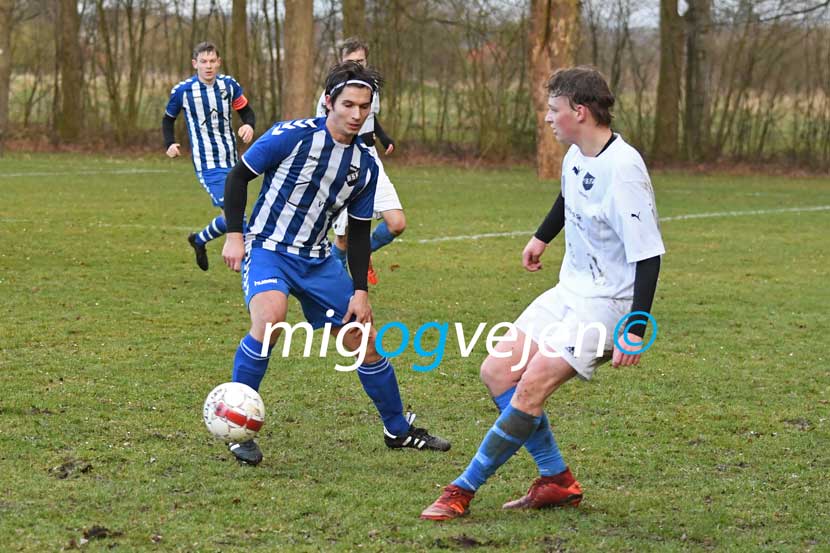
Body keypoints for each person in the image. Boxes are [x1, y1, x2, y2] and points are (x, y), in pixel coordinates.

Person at [420, 66, 665, 520]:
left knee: (530, 386)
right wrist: (541, 237)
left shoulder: (625, 168)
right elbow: (568, 197)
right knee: (497, 372)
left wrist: (636, 326)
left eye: (554, 110)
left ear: (581, 111)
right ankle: (557, 479)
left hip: (608, 303)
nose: (548, 118)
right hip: (569, 288)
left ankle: (462, 489)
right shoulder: (576, 154)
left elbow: (648, 254)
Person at [220, 61, 450, 465]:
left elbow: (360, 232)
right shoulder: (289, 136)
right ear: (329, 102)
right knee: (271, 319)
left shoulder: (364, 164)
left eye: (364, 106)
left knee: (363, 340)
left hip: (319, 260)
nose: (356, 114)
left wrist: (360, 290)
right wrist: (235, 236)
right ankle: (238, 426)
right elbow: (239, 176)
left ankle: (397, 429)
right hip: (269, 248)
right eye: (348, 104)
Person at [315, 37, 405, 285]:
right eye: (351, 61)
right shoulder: (330, 95)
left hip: (370, 160)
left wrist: (384, 138)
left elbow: (370, 118)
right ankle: (337, 286)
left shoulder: (371, 88)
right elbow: (323, 130)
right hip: (343, 164)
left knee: (397, 223)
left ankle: (362, 254)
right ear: (341, 62)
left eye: (361, 61)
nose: (357, 65)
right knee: (343, 239)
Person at [163, 41, 256, 271]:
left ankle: (199, 240)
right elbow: (168, 119)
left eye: (212, 61)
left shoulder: (229, 86)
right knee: (238, 217)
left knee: (233, 216)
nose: (208, 66)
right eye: (203, 62)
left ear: (219, 63)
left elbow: (246, 111)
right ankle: (250, 271)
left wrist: (249, 126)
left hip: (232, 161)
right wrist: (170, 143)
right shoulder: (183, 91)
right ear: (195, 64)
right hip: (207, 164)